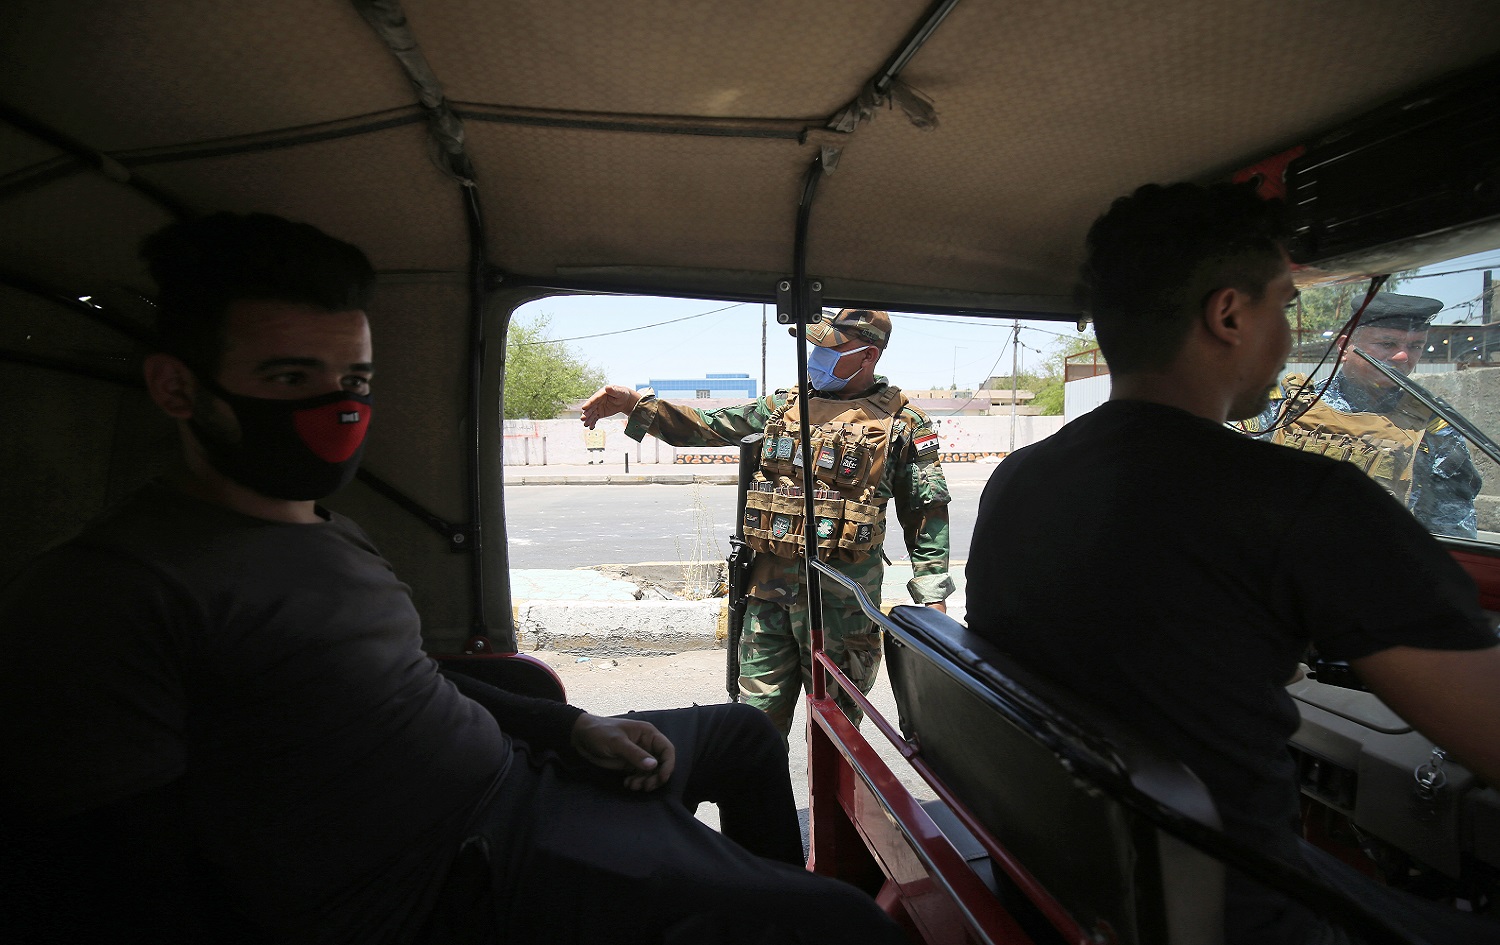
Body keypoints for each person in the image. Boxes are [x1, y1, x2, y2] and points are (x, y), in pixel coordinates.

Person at [0, 213, 906, 945]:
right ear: (175, 389)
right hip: (462, 864)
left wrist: (572, 723)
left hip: (525, 771)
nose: (338, 405)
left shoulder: (321, 526)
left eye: (354, 375)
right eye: (289, 375)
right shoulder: (109, 596)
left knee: (747, 737)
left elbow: (413, 677)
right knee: (843, 925)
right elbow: (114, 881)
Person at [965, 182, 1500, 944]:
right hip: (1241, 918)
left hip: (1073, 896)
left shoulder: (1018, 479)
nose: (1287, 335)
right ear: (1229, 315)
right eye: (1284, 305)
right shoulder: (1299, 499)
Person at [580, 309, 954, 735]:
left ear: (868, 354)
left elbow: (926, 509)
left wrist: (932, 597)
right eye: (815, 346)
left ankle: (827, 806)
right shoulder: (784, 406)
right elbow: (709, 427)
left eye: (830, 349)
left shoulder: (905, 422)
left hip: (842, 609)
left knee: (836, 735)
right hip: (767, 600)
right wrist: (635, 404)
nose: (816, 356)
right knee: (753, 730)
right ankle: (760, 803)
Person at [1245, 292, 1481, 537]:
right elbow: (1238, 486)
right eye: (1387, 344)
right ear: (1345, 346)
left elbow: (1453, 527)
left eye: (1415, 346)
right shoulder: (1284, 405)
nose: (1403, 356)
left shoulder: (1433, 428)